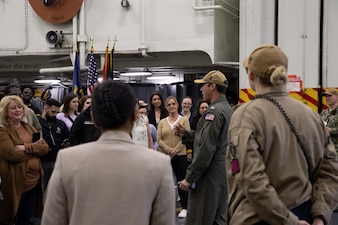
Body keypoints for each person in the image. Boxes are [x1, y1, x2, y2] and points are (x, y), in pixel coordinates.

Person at [226, 44, 338, 225]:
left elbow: (251, 180)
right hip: (306, 214)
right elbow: (331, 172)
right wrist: (320, 214)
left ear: (251, 76)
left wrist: (288, 221)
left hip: (259, 218)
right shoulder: (312, 116)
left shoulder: (246, 115)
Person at [41, 80, 176, 225]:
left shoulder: (67, 160)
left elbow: (52, 220)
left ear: (93, 118)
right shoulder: (159, 165)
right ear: (136, 116)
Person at [175, 70, 233, 225]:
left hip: (209, 178)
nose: (201, 89)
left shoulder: (214, 112)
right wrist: (187, 134)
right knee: (219, 219)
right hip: (222, 175)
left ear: (212, 86)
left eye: (203, 86)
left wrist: (190, 177)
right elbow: (212, 139)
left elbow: (207, 148)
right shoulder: (228, 109)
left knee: (199, 219)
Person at [0, 95, 49, 225]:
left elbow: (44, 148)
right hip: (15, 181)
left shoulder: (27, 127)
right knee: (10, 217)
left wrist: (25, 148)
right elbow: (11, 154)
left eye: (20, 107)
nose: (18, 110)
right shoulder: (2, 130)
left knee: (26, 218)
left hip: (35, 181)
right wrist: (34, 149)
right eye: (13, 108)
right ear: (5, 111)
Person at [157, 96, 191, 218]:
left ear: (177, 105)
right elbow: (159, 139)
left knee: (181, 180)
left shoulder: (184, 120)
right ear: (166, 107)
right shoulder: (162, 122)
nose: (172, 106)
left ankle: (185, 206)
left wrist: (175, 150)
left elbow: (186, 138)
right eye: (169, 104)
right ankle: (164, 207)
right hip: (165, 155)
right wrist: (168, 150)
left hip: (180, 155)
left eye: (173, 104)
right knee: (165, 182)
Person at [38, 98, 70, 189]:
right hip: (42, 161)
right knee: (42, 188)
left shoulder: (60, 124)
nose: (55, 115)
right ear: (45, 108)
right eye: (53, 112)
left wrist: (66, 144)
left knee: (56, 188)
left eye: (57, 112)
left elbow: (67, 138)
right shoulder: (37, 123)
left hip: (57, 160)